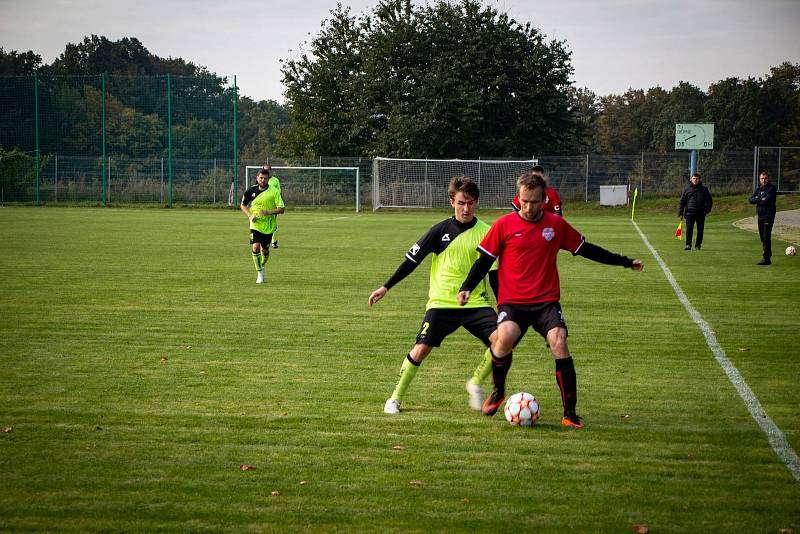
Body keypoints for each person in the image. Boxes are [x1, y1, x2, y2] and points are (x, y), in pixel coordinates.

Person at [457, 172, 644, 429]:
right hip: (514, 303)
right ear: (518, 198)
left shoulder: (556, 225)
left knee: (559, 341)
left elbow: (587, 249)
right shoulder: (504, 225)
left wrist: (624, 262)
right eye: (524, 201)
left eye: (534, 201)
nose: (528, 207)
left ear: (544, 199)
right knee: (504, 338)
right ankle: (499, 391)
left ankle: (570, 413)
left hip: (546, 302)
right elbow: (484, 262)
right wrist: (467, 286)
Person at [368, 176, 499, 414]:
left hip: (476, 303)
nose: (466, 208)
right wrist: (386, 287)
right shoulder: (440, 231)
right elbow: (412, 260)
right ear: (452, 202)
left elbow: (494, 275)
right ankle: (395, 398)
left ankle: (476, 383)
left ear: (477, 202)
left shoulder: (488, 233)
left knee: (503, 340)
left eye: (470, 203)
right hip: (441, 303)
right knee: (421, 349)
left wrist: (505, 309)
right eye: (461, 203)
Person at [240, 166, 285, 283]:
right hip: (255, 224)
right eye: (261, 178)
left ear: (268, 179)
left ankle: (262, 264)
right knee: (255, 246)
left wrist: (268, 212)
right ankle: (259, 274)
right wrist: (250, 215)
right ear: (257, 178)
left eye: (265, 178)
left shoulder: (274, 192)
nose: (263, 180)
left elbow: (282, 209)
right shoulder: (251, 191)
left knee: (265, 251)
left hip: (269, 226)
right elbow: (243, 205)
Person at [677, 172, 713, 250]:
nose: (695, 180)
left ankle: (698, 245)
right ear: (691, 179)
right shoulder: (687, 189)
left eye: (697, 179)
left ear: (699, 180)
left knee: (700, 230)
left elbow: (709, 200)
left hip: (701, 213)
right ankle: (688, 245)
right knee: (689, 229)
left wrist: (707, 210)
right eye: (694, 178)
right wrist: (680, 212)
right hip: (689, 213)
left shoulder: (704, 189)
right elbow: (682, 201)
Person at [749, 171, 778, 265]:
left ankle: (766, 258)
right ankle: (767, 255)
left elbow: (767, 200)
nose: (764, 180)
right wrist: (760, 199)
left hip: (768, 216)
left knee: (766, 237)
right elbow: (751, 200)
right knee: (762, 237)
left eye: (765, 178)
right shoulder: (759, 188)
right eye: (762, 178)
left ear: (768, 179)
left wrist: (758, 199)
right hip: (760, 216)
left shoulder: (772, 188)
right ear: (759, 179)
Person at [267, 173, 282, 248]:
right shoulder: (261, 180)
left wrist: (279, 204)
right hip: (263, 204)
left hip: (273, 205)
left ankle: (273, 241)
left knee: (273, 223)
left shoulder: (275, 180)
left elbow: (279, 192)